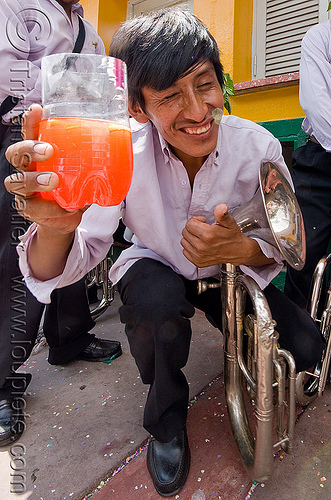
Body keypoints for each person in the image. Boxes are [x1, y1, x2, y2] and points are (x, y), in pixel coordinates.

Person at [4, 9, 325, 496]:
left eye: (205, 84)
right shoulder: (121, 152)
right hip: (154, 262)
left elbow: (281, 245)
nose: (198, 110)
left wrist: (241, 247)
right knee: (157, 315)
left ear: (223, 84)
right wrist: (54, 230)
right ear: (137, 108)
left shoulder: (257, 146)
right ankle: (166, 419)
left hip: (229, 273)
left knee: (306, 349)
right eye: (171, 96)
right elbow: (70, 261)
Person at [0, 0, 122, 448]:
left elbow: (104, 90)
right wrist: (68, 88)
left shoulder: (89, 31)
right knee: (16, 256)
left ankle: (69, 337)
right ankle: (2, 378)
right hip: (22, 142)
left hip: (82, 142)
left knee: (74, 236)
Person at [284, 18, 331, 310]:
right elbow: (318, 106)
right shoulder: (320, 37)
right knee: (303, 252)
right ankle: (297, 342)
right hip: (320, 162)